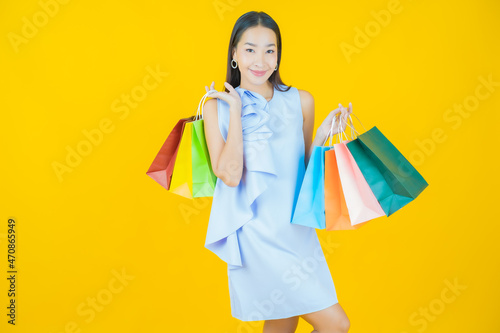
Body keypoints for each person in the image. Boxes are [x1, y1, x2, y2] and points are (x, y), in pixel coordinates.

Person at [202, 11, 352, 333]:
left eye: (270, 50)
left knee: (282, 325)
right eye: (250, 49)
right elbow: (228, 174)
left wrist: (325, 132)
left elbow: (303, 171)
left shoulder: (302, 101)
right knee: (336, 325)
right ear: (234, 54)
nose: (260, 60)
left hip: (296, 232)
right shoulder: (215, 106)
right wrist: (239, 107)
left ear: (278, 55)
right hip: (257, 234)